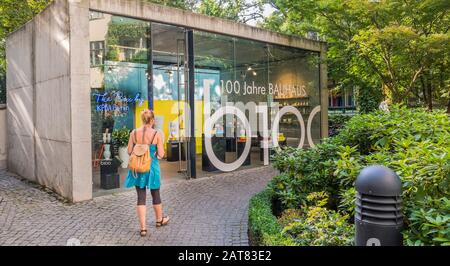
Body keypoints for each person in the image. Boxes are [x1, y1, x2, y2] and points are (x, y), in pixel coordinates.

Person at [124, 109, 170, 237]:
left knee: (140, 197)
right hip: (152, 168)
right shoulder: (156, 134)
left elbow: (129, 151)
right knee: (156, 193)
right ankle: (159, 220)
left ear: (142, 119)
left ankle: (143, 228)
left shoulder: (133, 133)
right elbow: (161, 154)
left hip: (138, 169)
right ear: (152, 120)